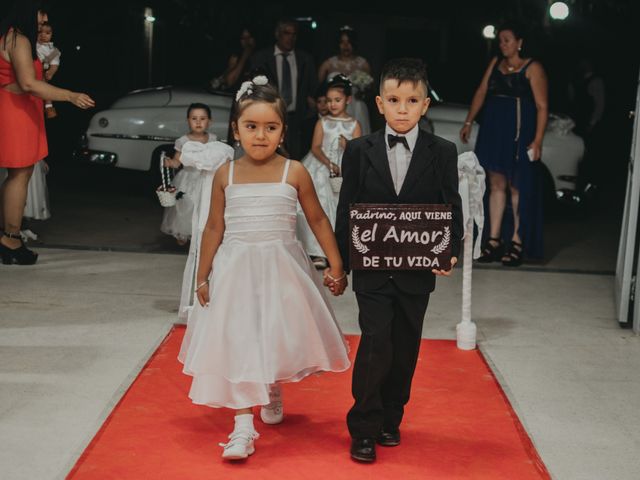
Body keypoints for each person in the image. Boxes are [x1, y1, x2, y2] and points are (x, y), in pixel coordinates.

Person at [178, 77, 351, 461]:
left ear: (282, 131)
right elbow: (213, 227)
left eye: (270, 127)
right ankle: (242, 426)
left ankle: (270, 384)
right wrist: (202, 275)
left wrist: (336, 264)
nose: (260, 136)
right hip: (236, 270)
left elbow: (319, 220)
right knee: (239, 337)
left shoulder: (294, 172)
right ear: (236, 131)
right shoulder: (227, 174)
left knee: (273, 331)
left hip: (281, 270)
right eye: (251, 127)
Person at [335, 58, 462, 463]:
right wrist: (341, 264)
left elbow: (450, 204)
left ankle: (392, 418)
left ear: (425, 105)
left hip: (416, 273)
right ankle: (364, 428)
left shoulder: (442, 152)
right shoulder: (358, 150)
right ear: (379, 103)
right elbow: (346, 208)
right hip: (371, 271)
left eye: (412, 100)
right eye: (394, 100)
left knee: (405, 348)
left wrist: (448, 248)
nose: (402, 108)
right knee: (375, 345)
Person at [0, 0, 94, 265]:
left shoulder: (14, 37)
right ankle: (10, 239)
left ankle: (9, 235)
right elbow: (29, 83)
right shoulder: (18, 39)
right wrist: (70, 95)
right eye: (40, 20)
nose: (43, 25)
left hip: (20, 110)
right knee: (20, 173)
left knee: (20, 174)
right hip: (15, 112)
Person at [459, 22, 548, 266]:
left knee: (517, 185)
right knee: (495, 184)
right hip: (494, 129)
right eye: (500, 40)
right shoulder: (495, 64)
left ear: (520, 42)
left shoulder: (532, 67)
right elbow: (481, 91)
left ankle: (517, 241)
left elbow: (542, 106)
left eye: (507, 40)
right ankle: (494, 240)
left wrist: (538, 139)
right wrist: (468, 121)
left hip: (519, 131)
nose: (503, 44)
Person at [297, 73, 361, 268]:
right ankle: (318, 252)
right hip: (321, 168)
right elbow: (316, 147)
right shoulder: (322, 122)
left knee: (341, 209)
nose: (332, 104)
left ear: (348, 100)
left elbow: (359, 149)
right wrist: (329, 164)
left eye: (337, 100)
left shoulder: (354, 124)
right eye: (329, 100)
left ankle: (341, 251)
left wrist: (347, 145)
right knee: (321, 206)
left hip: (345, 169)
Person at [248, 19, 317, 159]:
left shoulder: (305, 59)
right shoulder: (261, 58)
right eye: (286, 33)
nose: (290, 37)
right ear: (277, 34)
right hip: (269, 116)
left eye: (294, 34)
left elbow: (312, 89)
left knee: (295, 159)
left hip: (297, 120)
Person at [161, 103, 219, 245]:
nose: (198, 122)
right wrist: (169, 163)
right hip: (187, 178)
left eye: (203, 118)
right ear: (188, 120)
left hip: (206, 177)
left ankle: (201, 232)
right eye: (194, 118)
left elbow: (216, 158)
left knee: (204, 206)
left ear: (210, 121)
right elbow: (177, 161)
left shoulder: (213, 139)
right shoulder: (183, 141)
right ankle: (182, 231)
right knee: (186, 205)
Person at [318, 25, 373, 135]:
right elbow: (319, 90)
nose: (345, 46)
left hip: (358, 107)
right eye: (342, 42)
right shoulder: (328, 64)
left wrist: (363, 92)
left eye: (349, 42)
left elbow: (371, 90)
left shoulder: (363, 64)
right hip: (334, 107)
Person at [210, 27, 255, 92]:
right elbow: (230, 81)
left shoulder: (264, 57)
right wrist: (245, 55)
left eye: (249, 37)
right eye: (243, 38)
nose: (246, 41)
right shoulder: (237, 56)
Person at [36, 21, 59, 118]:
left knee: (46, 89)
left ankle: (49, 107)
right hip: (31, 68)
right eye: (40, 32)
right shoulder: (34, 43)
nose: (43, 35)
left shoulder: (53, 50)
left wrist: (51, 72)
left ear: (52, 35)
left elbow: (55, 64)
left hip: (43, 71)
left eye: (47, 33)